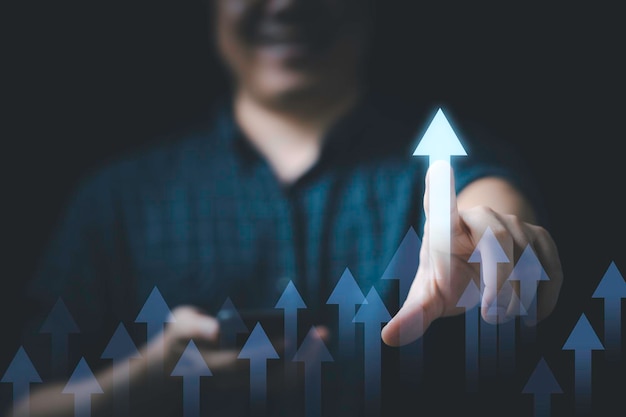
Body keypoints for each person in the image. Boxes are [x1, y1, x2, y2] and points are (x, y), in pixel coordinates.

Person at [4, 0, 563, 416]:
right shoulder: (116, 200)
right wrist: (135, 391)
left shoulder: (442, 161)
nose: (287, 4)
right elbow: (24, 403)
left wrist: (499, 238)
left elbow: (486, 197)